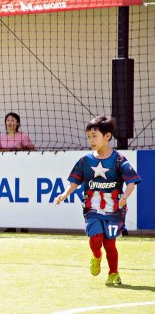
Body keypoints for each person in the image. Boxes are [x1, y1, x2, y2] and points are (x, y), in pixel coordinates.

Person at [54, 115, 141, 286]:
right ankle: (96, 256)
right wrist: (64, 194)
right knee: (96, 238)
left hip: (114, 210)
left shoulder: (118, 159)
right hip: (92, 208)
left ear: (107, 136)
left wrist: (124, 197)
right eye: (89, 137)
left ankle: (114, 273)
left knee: (110, 244)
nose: (91, 140)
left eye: (95, 136)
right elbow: (74, 182)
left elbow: (132, 182)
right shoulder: (85, 160)